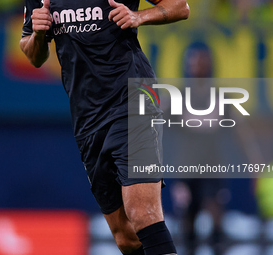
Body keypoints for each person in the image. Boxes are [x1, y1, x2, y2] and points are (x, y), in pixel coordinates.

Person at [20, 0, 189, 254]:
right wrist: (38, 33)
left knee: (142, 213)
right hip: (87, 115)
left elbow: (180, 6)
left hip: (133, 98)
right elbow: (34, 55)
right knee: (126, 236)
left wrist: (139, 16)